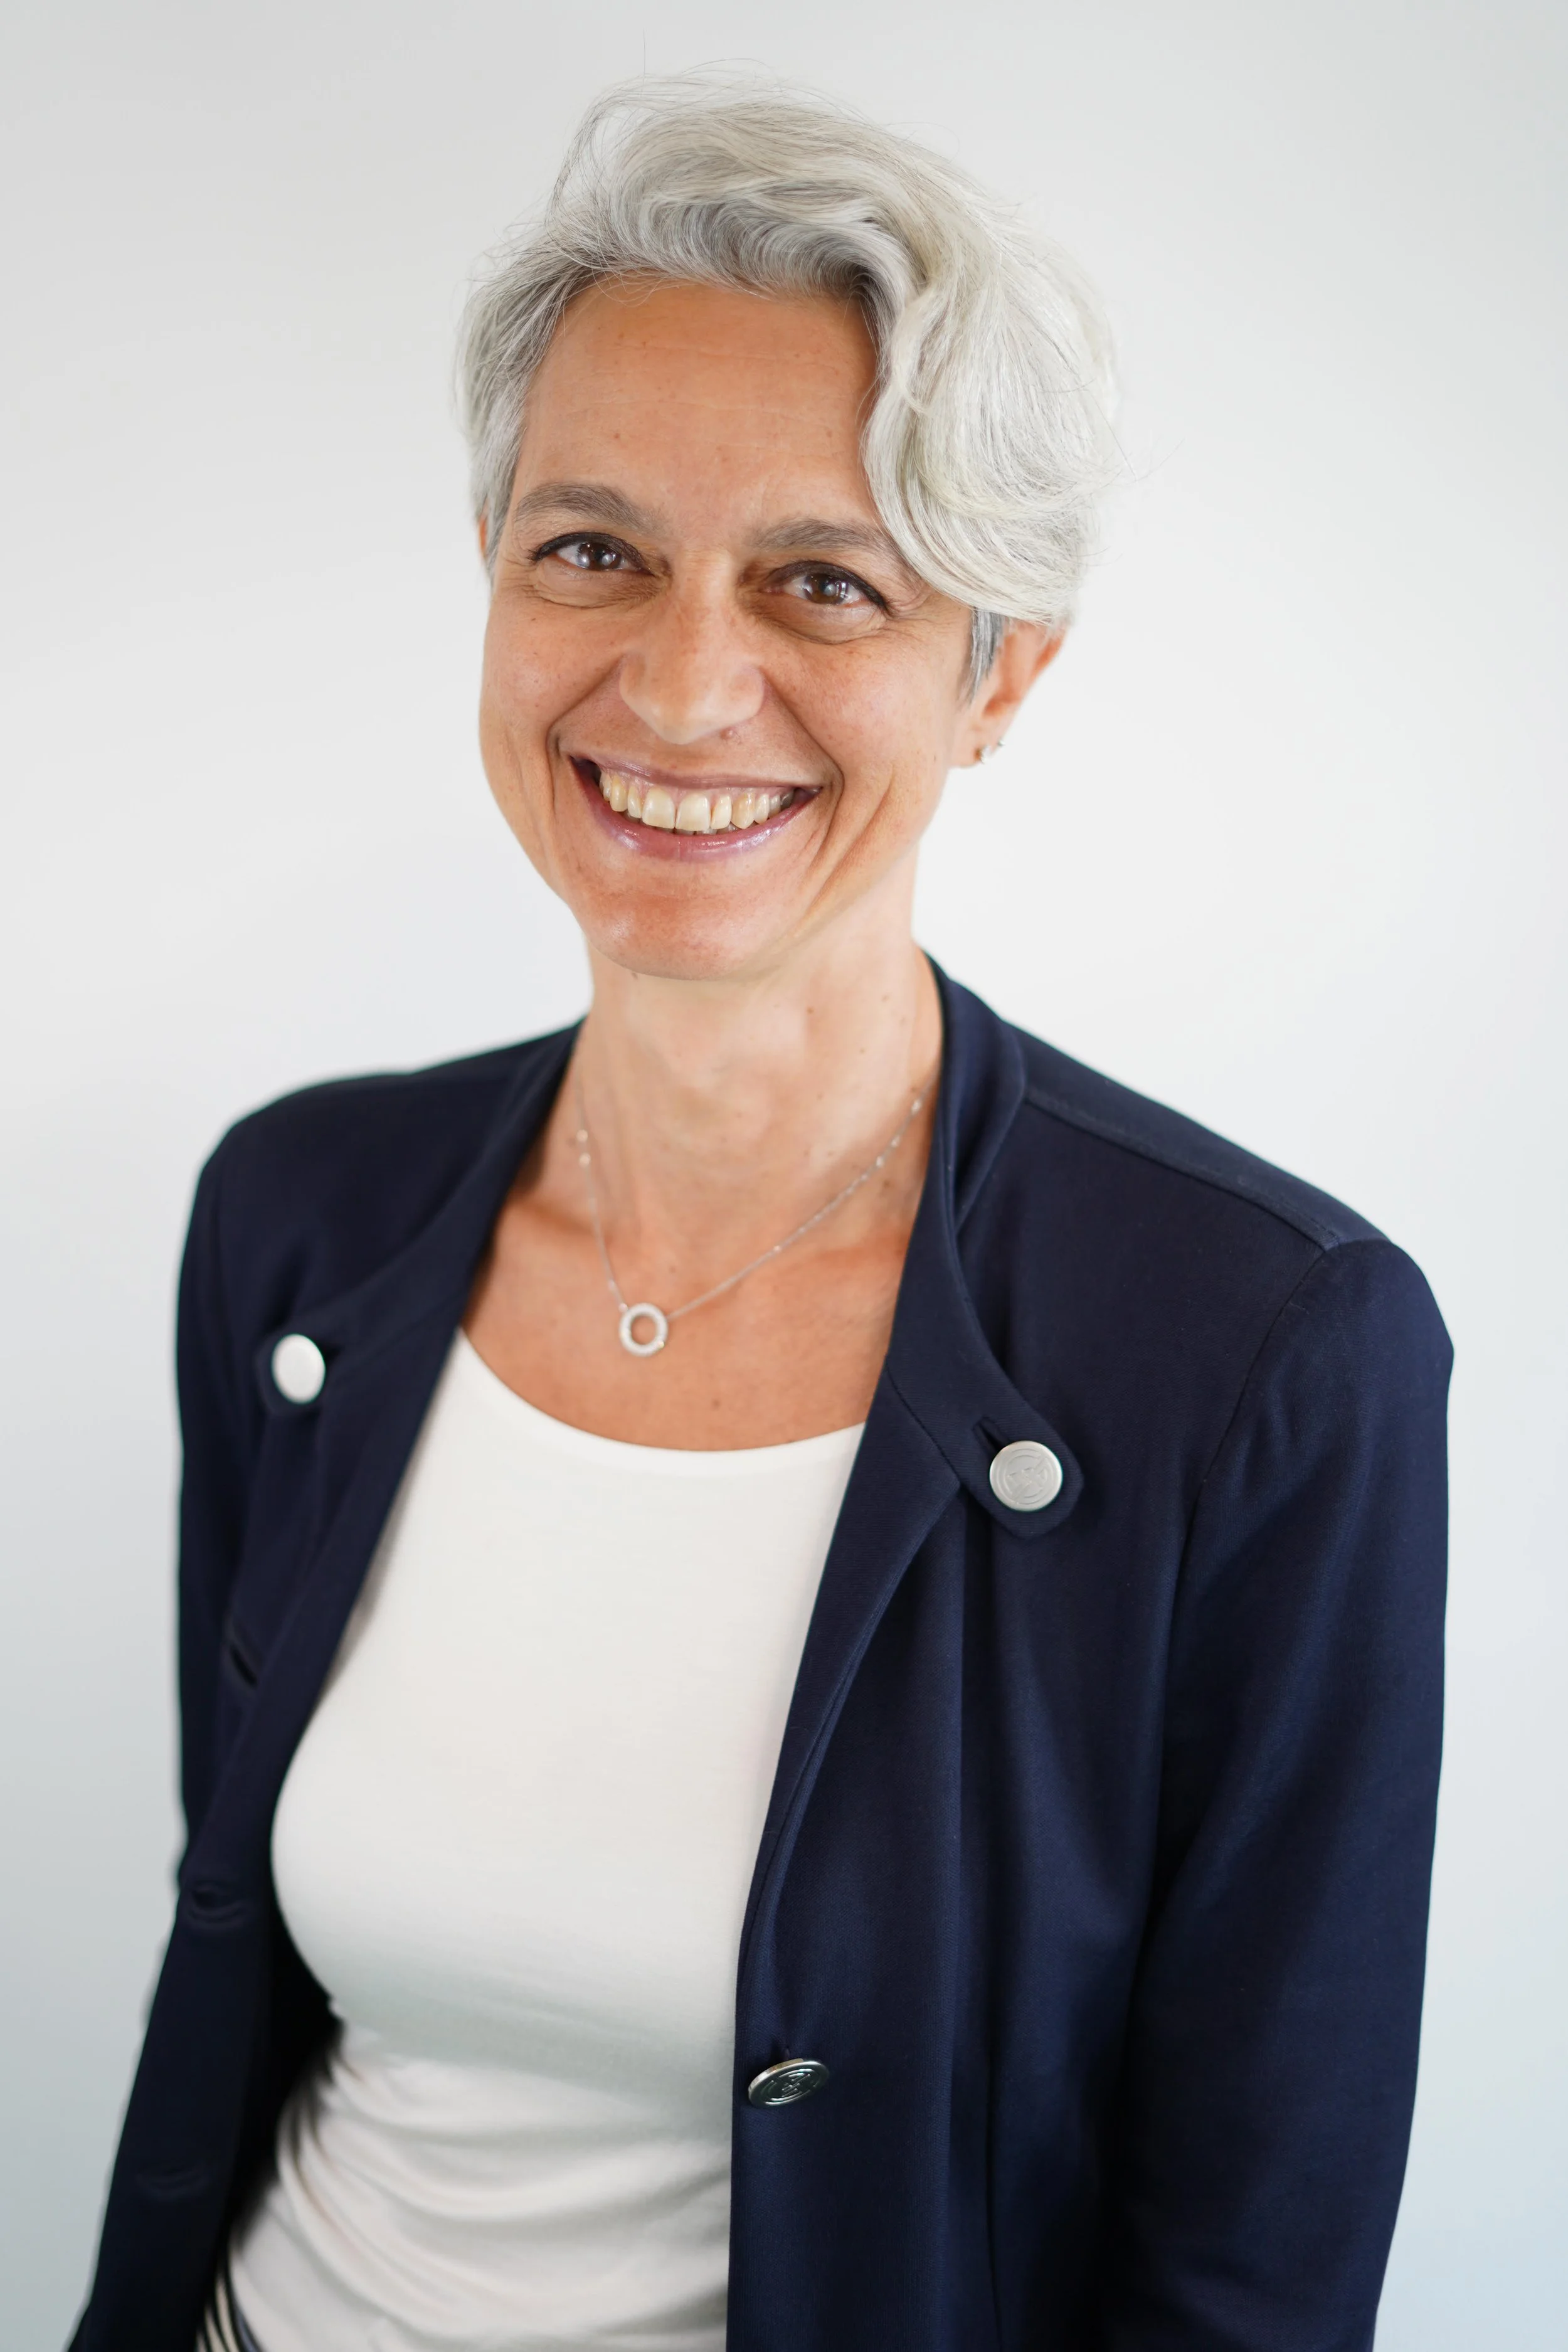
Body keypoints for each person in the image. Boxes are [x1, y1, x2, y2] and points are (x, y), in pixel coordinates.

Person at [70, 74, 1450, 2352]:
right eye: (590, 548)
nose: (682, 681)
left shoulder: (1266, 1357)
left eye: (824, 580)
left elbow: (1250, 2261)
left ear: (999, 671)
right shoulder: (300, 1222)